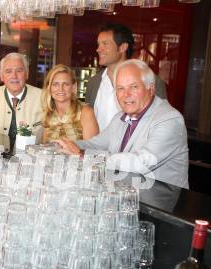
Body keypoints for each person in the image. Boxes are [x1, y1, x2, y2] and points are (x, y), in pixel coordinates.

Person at [56, 59, 188, 189]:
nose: (126, 94)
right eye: (120, 88)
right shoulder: (120, 117)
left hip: (162, 205)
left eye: (134, 87)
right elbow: (95, 144)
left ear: (151, 89)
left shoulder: (170, 119)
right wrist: (65, 145)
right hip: (125, 195)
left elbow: (142, 162)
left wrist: (83, 155)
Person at [85, 23, 167, 132]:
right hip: (97, 147)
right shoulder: (93, 83)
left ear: (123, 47)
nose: (98, 49)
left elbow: (161, 122)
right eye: (99, 44)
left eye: (105, 44)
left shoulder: (151, 81)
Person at [0, 52, 43, 153]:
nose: (14, 76)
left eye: (19, 70)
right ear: (1, 76)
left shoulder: (43, 98)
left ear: (27, 74)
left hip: (31, 162)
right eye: (8, 71)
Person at [42, 64, 99, 143]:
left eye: (66, 84)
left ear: (73, 87)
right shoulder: (48, 113)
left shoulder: (85, 112)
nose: (61, 89)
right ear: (49, 88)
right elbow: (43, 147)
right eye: (55, 84)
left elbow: (92, 150)